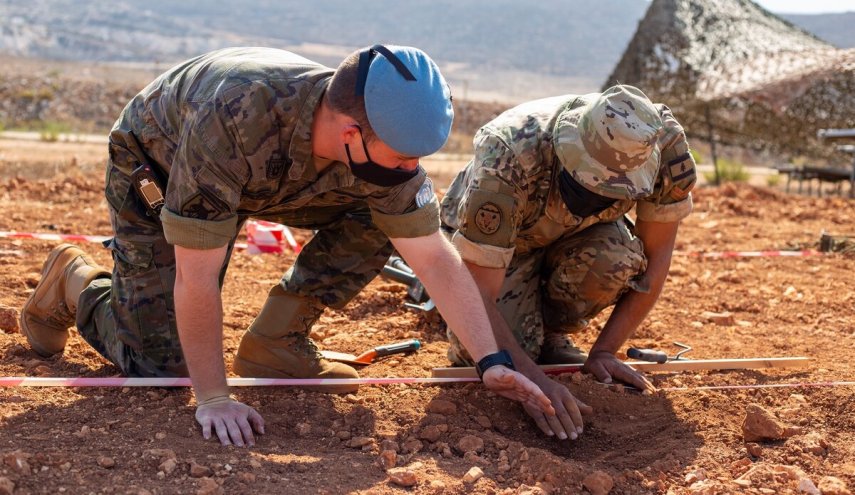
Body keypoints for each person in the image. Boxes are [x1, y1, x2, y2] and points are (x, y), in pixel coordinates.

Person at [20, 45, 555, 448]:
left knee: (388, 216)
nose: (411, 171)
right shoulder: (233, 118)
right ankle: (78, 281)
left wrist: (491, 360)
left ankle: (278, 338)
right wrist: (213, 397)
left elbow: (434, 255)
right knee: (158, 369)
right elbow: (197, 277)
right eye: (401, 158)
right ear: (351, 132)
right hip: (158, 165)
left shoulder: (378, 152)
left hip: (278, 177)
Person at [440, 84, 697, 441]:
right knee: (485, 357)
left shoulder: (662, 144)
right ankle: (461, 303)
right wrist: (533, 377)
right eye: (590, 184)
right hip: (501, 250)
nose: (601, 195)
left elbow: (655, 260)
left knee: (617, 258)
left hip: (578, 239)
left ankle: (547, 328)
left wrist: (605, 350)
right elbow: (477, 290)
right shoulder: (509, 154)